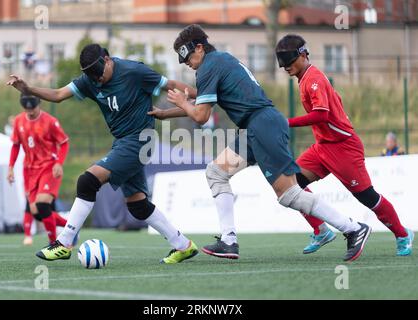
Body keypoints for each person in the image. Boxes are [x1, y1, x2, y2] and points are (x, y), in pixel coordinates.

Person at [151, 24, 371, 262]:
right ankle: (228, 241)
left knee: (289, 195)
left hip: (262, 126)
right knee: (216, 172)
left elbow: (201, 116)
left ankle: (353, 228)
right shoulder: (219, 61)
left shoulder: (208, 67)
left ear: (200, 48)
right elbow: (197, 95)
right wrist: (167, 113)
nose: (186, 62)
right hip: (255, 127)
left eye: (187, 56)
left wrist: (182, 103)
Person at [7, 44, 199, 264]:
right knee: (138, 205)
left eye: (100, 74)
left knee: (87, 181)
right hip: (122, 142)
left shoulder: (134, 71)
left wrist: (203, 96)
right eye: (92, 77)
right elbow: (59, 94)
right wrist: (28, 89)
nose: (98, 80)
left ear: (107, 60)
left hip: (139, 140)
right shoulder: (90, 78)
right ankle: (183, 245)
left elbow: (172, 84)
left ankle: (64, 242)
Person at [275, 34, 413, 256]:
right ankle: (321, 230)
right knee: (291, 184)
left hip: (343, 147)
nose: (285, 67)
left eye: (289, 61)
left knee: (367, 197)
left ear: (303, 54)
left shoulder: (314, 79)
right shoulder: (305, 78)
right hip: (323, 146)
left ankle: (402, 234)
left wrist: (286, 123)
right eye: (282, 63)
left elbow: (321, 115)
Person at [7, 93, 69, 245]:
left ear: (39, 103)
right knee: (36, 212)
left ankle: (54, 244)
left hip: (49, 167)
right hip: (29, 170)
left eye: (33, 107)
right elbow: (15, 146)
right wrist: (10, 168)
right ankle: (71, 227)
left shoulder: (50, 122)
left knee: (42, 204)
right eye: (26, 108)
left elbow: (64, 143)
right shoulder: (18, 121)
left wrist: (59, 163)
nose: (30, 111)